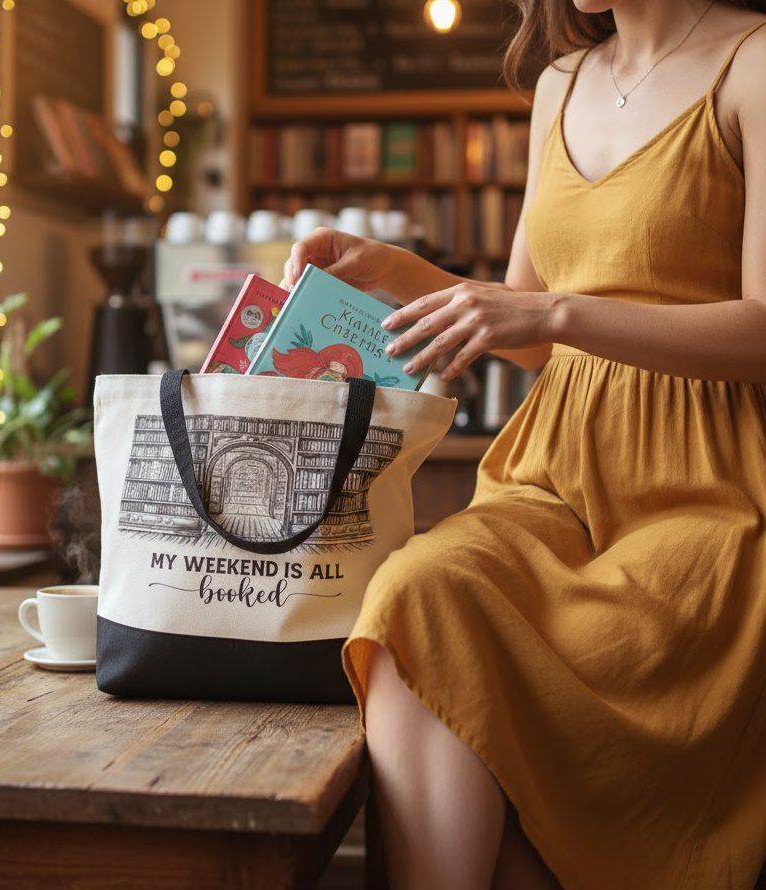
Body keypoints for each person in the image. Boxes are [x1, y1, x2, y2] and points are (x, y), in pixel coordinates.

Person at [282, 1, 766, 888]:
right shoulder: (561, 83)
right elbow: (527, 326)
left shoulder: (755, 66)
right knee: (417, 593)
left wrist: (553, 310)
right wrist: (389, 269)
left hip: (708, 484)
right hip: (548, 475)